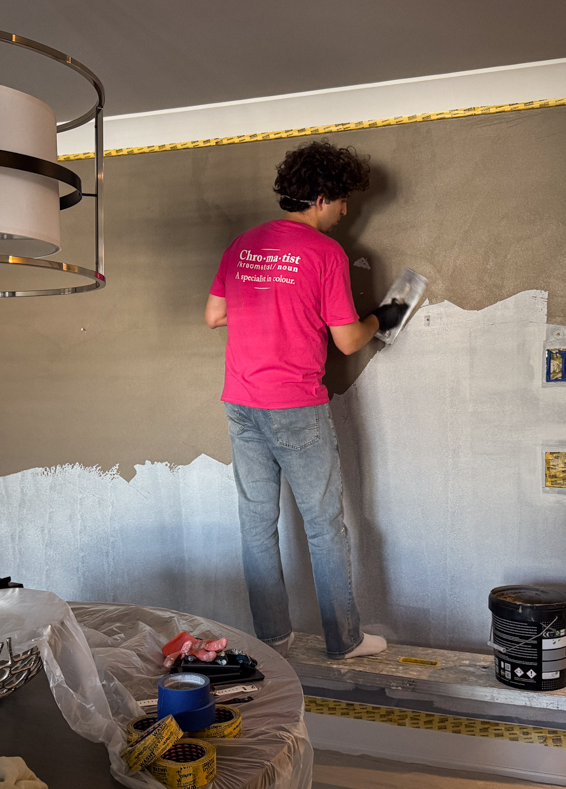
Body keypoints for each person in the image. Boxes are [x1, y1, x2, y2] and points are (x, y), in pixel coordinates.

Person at [205, 140, 407, 660]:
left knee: (256, 524)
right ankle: (346, 639)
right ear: (320, 198)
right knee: (323, 526)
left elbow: (214, 316)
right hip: (294, 406)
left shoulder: (243, 244)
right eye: (343, 202)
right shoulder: (324, 253)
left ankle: (273, 638)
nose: (346, 211)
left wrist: (267, 306)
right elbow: (347, 341)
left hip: (241, 403)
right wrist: (378, 320)